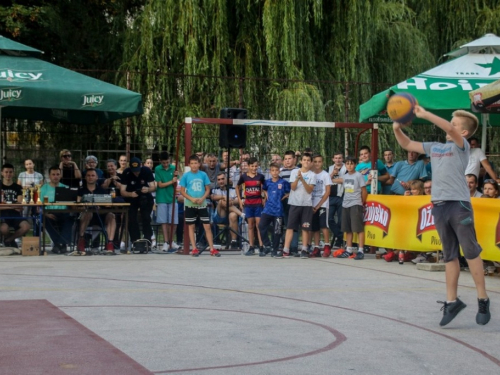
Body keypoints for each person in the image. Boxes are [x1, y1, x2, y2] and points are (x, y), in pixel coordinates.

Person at [393, 106, 490, 326]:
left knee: (471, 251)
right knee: (449, 255)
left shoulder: (461, 146)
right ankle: (451, 301)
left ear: (463, 132)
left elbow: (448, 128)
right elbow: (407, 144)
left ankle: (482, 298)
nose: (450, 125)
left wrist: (425, 114)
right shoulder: (435, 147)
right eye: (452, 122)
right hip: (439, 206)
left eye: (454, 124)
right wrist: (397, 127)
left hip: (459, 205)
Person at [179, 155, 220, 257]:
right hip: (190, 204)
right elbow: (182, 191)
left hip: (202, 204)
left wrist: (202, 198)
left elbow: (207, 189)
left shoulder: (203, 175)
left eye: (196, 163)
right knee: (191, 226)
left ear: (199, 164)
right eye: (192, 163)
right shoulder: (186, 176)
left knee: (206, 226)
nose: (194, 165)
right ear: (189, 164)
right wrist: (191, 199)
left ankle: (212, 248)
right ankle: (194, 248)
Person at [279, 153, 316, 259]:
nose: (306, 162)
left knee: (305, 228)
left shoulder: (312, 175)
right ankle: (286, 249)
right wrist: (297, 178)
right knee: (290, 227)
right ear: (301, 161)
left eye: (308, 160)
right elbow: (293, 187)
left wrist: (303, 180)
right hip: (295, 203)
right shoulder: (295, 172)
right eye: (304, 160)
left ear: (311, 162)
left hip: (306, 204)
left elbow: (309, 190)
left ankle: (304, 249)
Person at [331, 157, 367, 260]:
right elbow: (331, 180)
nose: (349, 166)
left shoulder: (358, 176)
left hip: (356, 204)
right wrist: (333, 173)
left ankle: (360, 250)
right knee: (348, 229)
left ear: (355, 165)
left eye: (351, 164)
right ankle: (349, 249)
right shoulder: (344, 176)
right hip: (345, 204)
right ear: (345, 165)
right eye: (347, 164)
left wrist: (362, 203)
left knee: (358, 228)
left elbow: (364, 191)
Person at [76, 169, 117, 255]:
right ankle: (81, 240)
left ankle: (110, 243)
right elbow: (77, 204)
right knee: (88, 213)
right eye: (88, 175)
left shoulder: (102, 191)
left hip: (100, 216)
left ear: (97, 177)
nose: (90, 177)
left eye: (93, 175)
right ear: (85, 177)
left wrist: (100, 206)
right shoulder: (81, 190)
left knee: (111, 215)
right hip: (86, 217)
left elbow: (107, 205)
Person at [120, 157, 156, 244]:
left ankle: (147, 239)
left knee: (146, 217)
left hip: (145, 197)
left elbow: (153, 187)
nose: (136, 172)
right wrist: (130, 194)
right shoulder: (126, 172)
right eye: (134, 170)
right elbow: (122, 191)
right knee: (131, 218)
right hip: (132, 197)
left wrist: (148, 189)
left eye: (137, 170)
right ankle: (135, 240)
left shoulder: (146, 171)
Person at [39, 166, 74, 254]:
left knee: (70, 219)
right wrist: (45, 213)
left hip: (64, 212)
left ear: (60, 175)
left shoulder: (66, 187)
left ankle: (58, 244)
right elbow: (38, 205)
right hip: (48, 213)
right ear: (49, 176)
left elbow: (71, 204)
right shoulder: (43, 189)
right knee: (46, 220)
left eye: (57, 174)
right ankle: (62, 244)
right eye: (53, 174)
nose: (55, 176)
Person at [258, 163, 290, 257]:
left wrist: (285, 196)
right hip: (268, 209)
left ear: (279, 171)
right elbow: (263, 189)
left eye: (276, 170)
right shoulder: (267, 182)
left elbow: (290, 191)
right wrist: (266, 195)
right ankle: (267, 245)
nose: (275, 172)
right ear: (270, 171)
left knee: (277, 230)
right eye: (273, 170)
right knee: (261, 225)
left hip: (278, 210)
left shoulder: (283, 182)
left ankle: (274, 250)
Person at [236, 157, 265, 255]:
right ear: (248, 166)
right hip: (248, 204)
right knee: (250, 226)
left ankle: (261, 246)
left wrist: (264, 199)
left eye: (256, 166)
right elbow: (237, 186)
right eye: (252, 166)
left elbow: (265, 189)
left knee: (259, 225)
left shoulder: (261, 177)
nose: (254, 168)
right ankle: (251, 247)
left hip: (258, 204)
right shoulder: (244, 177)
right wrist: (240, 200)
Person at [0, 163, 31, 248]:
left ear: (13, 173)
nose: (8, 174)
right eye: (6, 172)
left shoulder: (17, 187)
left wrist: (6, 205)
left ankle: (9, 240)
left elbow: (19, 204)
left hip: (15, 214)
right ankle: (10, 240)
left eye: (10, 172)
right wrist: (13, 205)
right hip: (2, 215)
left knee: (26, 226)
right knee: (3, 229)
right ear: (2, 173)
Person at [211, 172, 245, 249]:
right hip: (220, 215)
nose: (221, 181)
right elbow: (213, 197)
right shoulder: (214, 190)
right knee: (221, 202)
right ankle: (241, 214)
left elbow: (238, 201)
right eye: (219, 180)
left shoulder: (233, 190)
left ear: (226, 179)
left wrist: (231, 201)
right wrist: (224, 197)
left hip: (231, 213)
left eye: (223, 179)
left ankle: (233, 242)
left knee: (233, 215)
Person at [155, 152, 180, 253]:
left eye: (167, 162)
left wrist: (176, 178)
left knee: (173, 221)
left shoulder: (173, 168)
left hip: (172, 197)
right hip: (162, 197)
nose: (166, 164)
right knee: (164, 221)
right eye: (164, 163)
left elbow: (176, 183)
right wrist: (172, 181)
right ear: (161, 161)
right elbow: (160, 185)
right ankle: (166, 241)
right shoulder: (157, 169)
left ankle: (171, 240)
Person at [310, 154, 332, 257]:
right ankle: (317, 247)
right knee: (315, 228)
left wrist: (318, 205)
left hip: (322, 204)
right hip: (312, 204)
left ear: (322, 162)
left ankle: (327, 246)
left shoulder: (325, 175)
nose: (317, 164)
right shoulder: (311, 174)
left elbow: (328, 191)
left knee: (324, 225)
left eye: (319, 161)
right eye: (315, 161)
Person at [280, 150, 299, 254]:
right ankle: (285, 245)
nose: (287, 161)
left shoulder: (298, 171)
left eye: (289, 159)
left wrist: (290, 194)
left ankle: (294, 247)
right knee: (286, 224)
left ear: (294, 159)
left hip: (295, 200)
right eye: (285, 159)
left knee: (294, 224)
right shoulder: (281, 172)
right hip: (283, 201)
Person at [328, 152, 346, 249]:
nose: (338, 160)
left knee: (341, 220)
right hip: (331, 197)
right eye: (336, 158)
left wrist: (333, 180)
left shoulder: (346, 168)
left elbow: (345, 180)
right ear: (333, 159)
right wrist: (333, 174)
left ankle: (339, 241)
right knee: (329, 218)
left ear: (342, 159)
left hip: (342, 196)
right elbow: (326, 180)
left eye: (340, 158)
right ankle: (341, 236)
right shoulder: (330, 168)